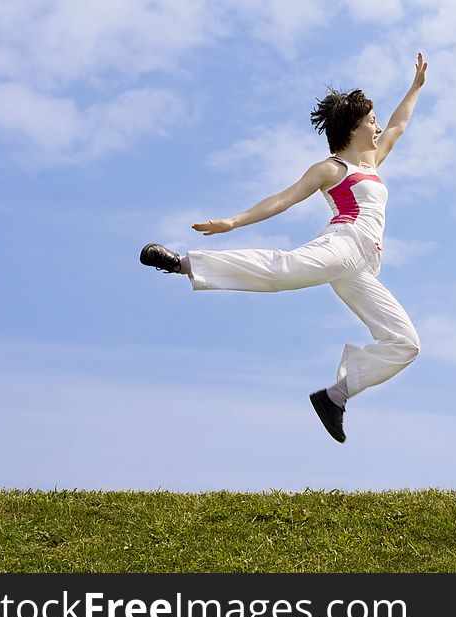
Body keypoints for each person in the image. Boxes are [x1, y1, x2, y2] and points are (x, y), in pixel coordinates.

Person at [140, 53, 428, 444]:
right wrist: (232, 222)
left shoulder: (373, 161)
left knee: (405, 343)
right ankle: (183, 263)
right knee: (283, 271)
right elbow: (283, 199)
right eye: (371, 122)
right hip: (345, 243)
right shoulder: (332, 169)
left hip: (362, 267)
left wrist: (414, 88)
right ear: (355, 128)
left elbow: (400, 123)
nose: (378, 128)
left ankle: (334, 397)